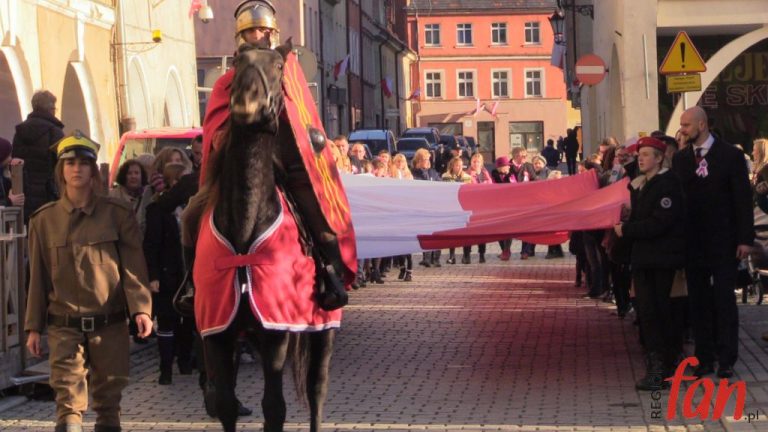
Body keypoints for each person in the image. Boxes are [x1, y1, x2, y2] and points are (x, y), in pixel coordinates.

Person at [24, 131, 153, 432]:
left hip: (109, 325)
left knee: (108, 407)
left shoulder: (116, 214)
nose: (76, 168)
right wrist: (33, 326)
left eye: (84, 163)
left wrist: (142, 309)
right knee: (68, 406)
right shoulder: (44, 221)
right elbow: (38, 279)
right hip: (64, 326)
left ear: (94, 170)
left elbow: (133, 267)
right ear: (61, 171)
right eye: (70, 163)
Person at [672, 106, 753, 379]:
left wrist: (744, 239)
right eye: (682, 125)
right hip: (693, 244)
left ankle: (727, 358)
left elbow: (742, 199)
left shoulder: (731, 155)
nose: (682, 130)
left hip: (724, 242)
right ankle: (704, 358)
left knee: (723, 300)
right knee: (698, 302)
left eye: (686, 125)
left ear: (702, 125)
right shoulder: (682, 160)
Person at [614, 137, 686, 390]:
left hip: (662, 260)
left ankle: (663, 368)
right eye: (639, 154)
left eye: (646, 154)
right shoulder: (642, 185)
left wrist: (628, 229)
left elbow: (661, 222)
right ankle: (659, 365)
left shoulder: (667, 185)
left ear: (659, 158)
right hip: (644, 259)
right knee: (647, 314)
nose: (641, 158)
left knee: (660, 313)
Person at [11, 90, 65, 222]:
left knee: (29, 234)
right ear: (50, 109)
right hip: (49, 194)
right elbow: (62, 164)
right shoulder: (55, 132)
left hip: (24, 193)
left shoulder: (20, 132)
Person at [0, 137, 25, 207]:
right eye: (9, 155)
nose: (11, 158)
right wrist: (9, 201)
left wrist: (19, 169)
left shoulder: (3, 171)